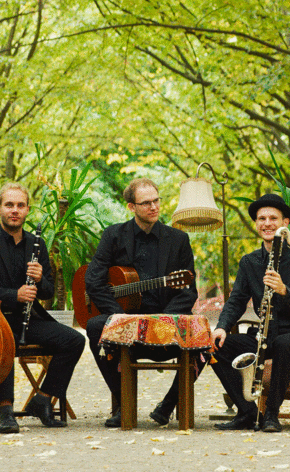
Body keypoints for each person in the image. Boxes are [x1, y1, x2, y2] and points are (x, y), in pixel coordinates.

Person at [84, 178, 200, 428]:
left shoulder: (178, 239)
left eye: (156, 201)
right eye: (146, 203)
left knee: (201, 335)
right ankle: (125, 403)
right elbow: (93, 280)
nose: (154, 207)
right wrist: (118, 316)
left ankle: (167, 405)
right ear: (131, 207)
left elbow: (188, 291)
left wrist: (166, 318)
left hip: (163, 320)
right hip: (126, 322)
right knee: (94, 326)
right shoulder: (114, 235)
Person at [0, 183, 85, 434]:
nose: (14, 210)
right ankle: (6, 411)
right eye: (9, 205)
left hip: (30, 319)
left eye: (20, 205)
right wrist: (13, 295)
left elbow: (48, 291)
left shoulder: (36, 244)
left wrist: (40, 280)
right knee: (5, 341)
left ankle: (43, 399)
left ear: (27, 209)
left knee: (74, 341)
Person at [209, 193, 290, 432]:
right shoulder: (249, 262)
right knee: (215, 347)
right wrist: (222, 327)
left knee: (285, 344)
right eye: (262, 218)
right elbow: (236, 301)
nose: (267, 223)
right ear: (256, 224)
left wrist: (284, 290)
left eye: (273, 218)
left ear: (285, 223)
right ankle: (248, 412)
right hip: (263, 334)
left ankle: (271, 416)